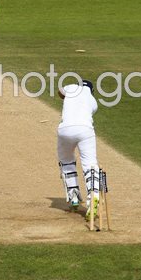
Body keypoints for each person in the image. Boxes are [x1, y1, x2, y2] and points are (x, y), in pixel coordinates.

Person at [57, 79, 101, 219]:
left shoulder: (71, 87)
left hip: (65, 129)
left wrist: (67, 97)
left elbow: (60, 92)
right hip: (85, 130)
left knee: (66, 160)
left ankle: (73, 195)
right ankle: (93, 196)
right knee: (90, 165)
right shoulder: (93, 102)